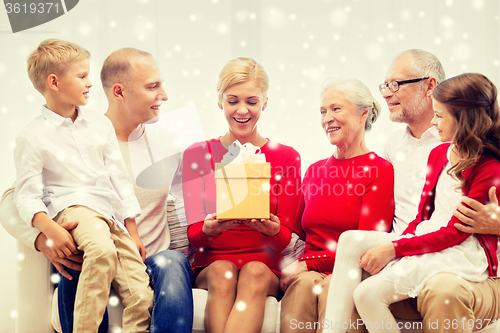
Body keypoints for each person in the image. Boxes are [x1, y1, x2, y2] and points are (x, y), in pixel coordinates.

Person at [0, 47, 194, 333]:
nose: (164, 96)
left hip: (147, 256)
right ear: (119, 92)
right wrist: (43, 236)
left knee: (172, 262)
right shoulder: (55, 136)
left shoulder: (169, 143)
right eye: (153, 86)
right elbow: (13, 199)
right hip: (87, 251)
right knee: (84, 257)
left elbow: (197, 203)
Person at [325, 73, 500, 333]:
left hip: (459, 250)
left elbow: (456, 232)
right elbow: (422, 215)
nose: (433, 121)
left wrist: (397, 250)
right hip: (427, 235)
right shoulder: (439, 153)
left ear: (463, 119)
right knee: (351, 242)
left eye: (439, 116)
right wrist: (402, 246)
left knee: (368, 294)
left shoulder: (488, 167)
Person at [182, 57, 301, 333]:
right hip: (212, 264)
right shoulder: (198, 154)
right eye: (233, 100)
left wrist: (272, 230)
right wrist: (210, 228)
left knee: (255, 271)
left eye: (252, 101)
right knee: (224, 271)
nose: (242, 110)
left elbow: (284, 239)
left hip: (264, 264)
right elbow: (194, 235)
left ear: (265, 102)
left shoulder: (286, 157)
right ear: (220, 101)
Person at [279, 78, 395, 333]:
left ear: (363, 113)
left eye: (336, 109)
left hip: (349, 269)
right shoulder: (314, 171)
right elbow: (297, 231)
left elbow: (365, 247)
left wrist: (309, 263)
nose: (327, 118)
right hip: (309, 270)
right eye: (323, 111)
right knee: (304, 285)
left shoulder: (379, 170)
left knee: (333, 286)